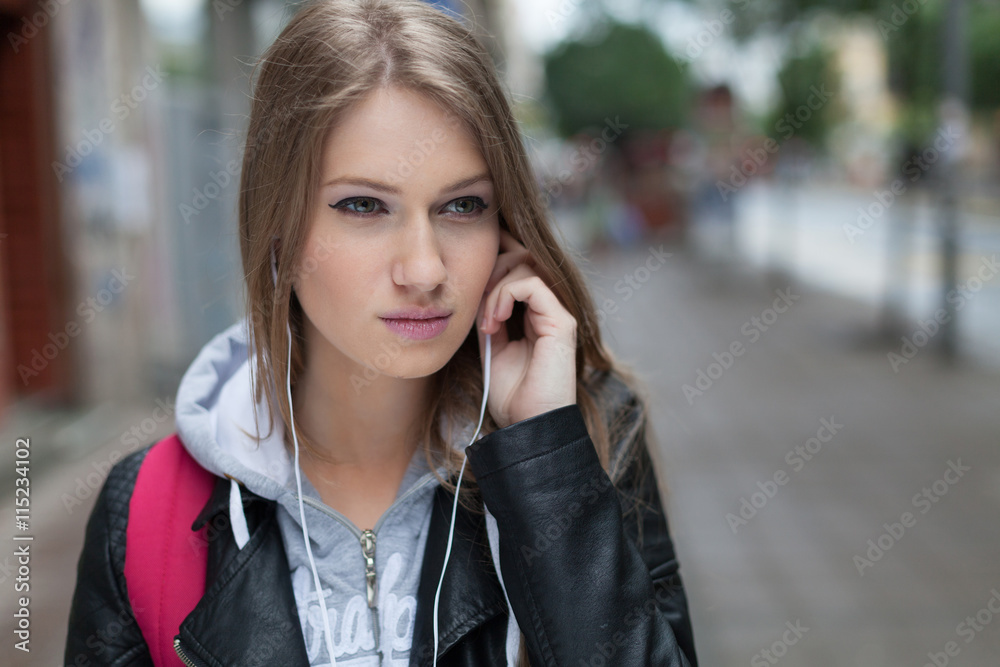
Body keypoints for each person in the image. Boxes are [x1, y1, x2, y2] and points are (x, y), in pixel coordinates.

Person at [64, 1, 698, 666]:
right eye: (363, 205)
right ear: (277, 223)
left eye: (462, 206)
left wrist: (546, 462)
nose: (424, 269)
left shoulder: (591, 434)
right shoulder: (146, 512)